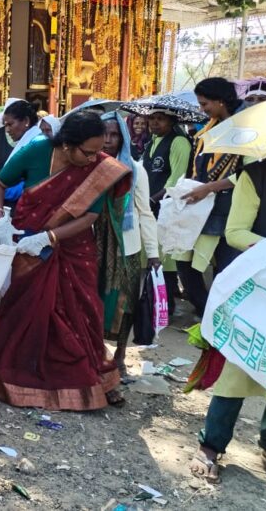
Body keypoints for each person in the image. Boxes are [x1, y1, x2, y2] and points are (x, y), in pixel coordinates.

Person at [0, 111, 131, 410]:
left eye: (97, 151)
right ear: (67, 144)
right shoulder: (37, 150)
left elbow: (90, 216)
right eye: (87, 151)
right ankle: (21, 377)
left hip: (73, 249)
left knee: (81, 313)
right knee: (25, 308)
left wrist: (50, 238)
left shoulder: (97, 168)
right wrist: (0, 220)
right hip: (27, 245)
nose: (92, 158)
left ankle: (88, 379)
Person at [189, 154, 266, 485]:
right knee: (239, 368)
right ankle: (210, 445)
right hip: (258, 287)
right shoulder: (257, 175)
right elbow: (235, 232)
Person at [95, 112, 160, 375]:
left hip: (127, 246)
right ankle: (95, 351)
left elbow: (144, 213)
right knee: (93, 298)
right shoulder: (89, 166)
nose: (109, 141)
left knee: (126, 302)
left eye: (114, 135)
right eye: (104, 135)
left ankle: (120, 355)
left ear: (123, 137)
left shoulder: (135, 169)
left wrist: (153, 253)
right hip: (94, 243)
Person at [177, 77, 244, 317]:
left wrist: (209, 187)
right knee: (184, 263)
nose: (201, 109)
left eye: (204, 104)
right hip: (202, 204)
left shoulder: (244, 128)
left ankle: (217, 317)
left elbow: (247, 174)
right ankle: (207, 312)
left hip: (231, 209)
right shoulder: (211, 127)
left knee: (224, 269)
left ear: (220, 101)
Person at [142, 108, 192, 312]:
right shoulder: (151, 142)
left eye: (160, 119)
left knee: (166, 259)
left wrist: (154, 199)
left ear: (172, 121)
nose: (154, 123)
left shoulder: (178, 142)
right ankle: (156, 304)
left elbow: (176, 179)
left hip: (167, 207)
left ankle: (167, 306)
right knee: (152, 255)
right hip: (150, 206)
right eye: (151, 119)